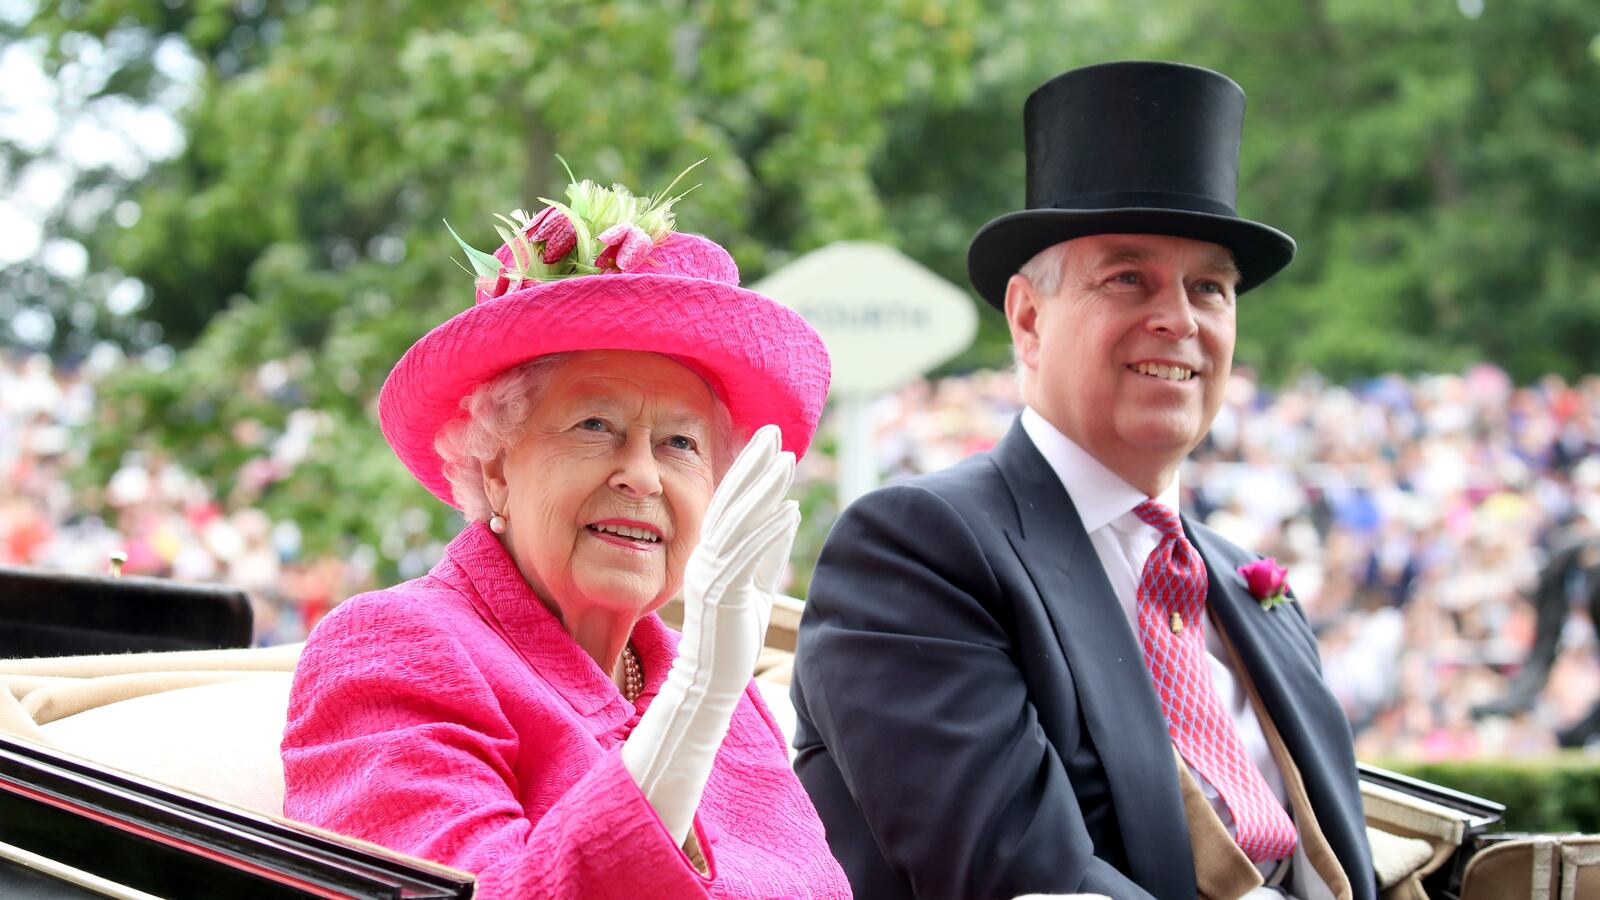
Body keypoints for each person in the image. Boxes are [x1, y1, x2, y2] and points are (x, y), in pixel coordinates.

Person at [791, 61, 1377, 900]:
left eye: (1209, 287)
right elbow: (1017, 878)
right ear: (1028, 319)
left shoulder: (1251, 592)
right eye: (1128, 277)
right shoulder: (917, 551)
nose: (1178, 318)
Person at [281, 168, 850, 898]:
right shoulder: (393, 648)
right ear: (493, 467)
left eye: (680, 444)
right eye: (595, 426)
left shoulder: (717, 686)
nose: (642, 476)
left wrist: (706, 689)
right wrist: (695, 701)